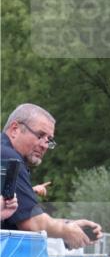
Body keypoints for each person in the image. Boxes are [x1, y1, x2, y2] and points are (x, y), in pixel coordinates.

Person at [1, 104, 102, 246]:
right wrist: (65, 230)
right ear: (15, 129)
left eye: (48, 140)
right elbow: (32, 222)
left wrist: (69, 225)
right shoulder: (8, 157)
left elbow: (25, 217)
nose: (44, 145)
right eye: (40, 135)